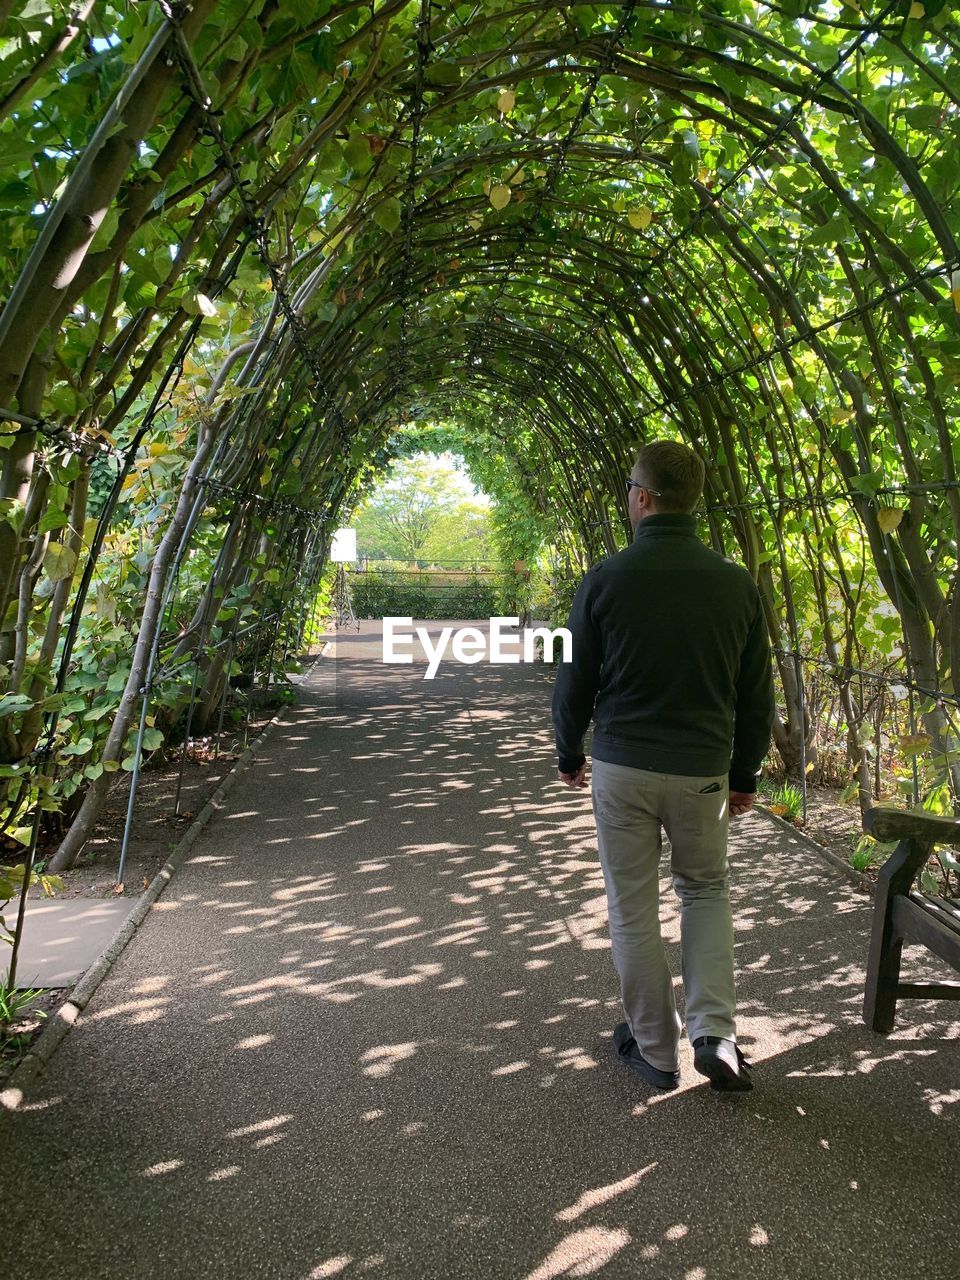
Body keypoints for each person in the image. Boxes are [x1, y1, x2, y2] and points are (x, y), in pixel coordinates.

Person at [552, 440, 774, 1093]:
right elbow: (755, 694)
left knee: (632, 907)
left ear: (643, 496)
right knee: (705, 890)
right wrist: (744, 775)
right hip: (702, 770)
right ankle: (715, 1034)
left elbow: (574, 684)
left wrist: (569, 753)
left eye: (628, 489)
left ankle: (654, 1050)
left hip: (622, 767)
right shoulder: (735, 585)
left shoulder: (605, 579)